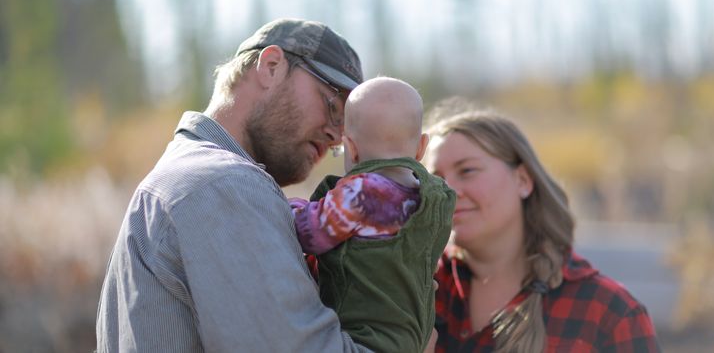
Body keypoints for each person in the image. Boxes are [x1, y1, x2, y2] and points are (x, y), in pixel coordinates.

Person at [96, 18, 411, 352]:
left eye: (348, 125)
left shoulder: (184, 176)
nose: (338, 135)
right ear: (271, 66)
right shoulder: (224, 185)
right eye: (333, 104)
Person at [424, 98, 661, 353]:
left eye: (467, 171)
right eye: (435, 179)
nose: (447, 191)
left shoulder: (608, 313)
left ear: (523, 180)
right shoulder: (414, 294)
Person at [289, 77, 456, 352]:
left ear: (351, 149)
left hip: (364, 337)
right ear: (421, 147)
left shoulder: (362, 193)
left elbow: (310, 233)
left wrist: (290, 206)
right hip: (416, 333)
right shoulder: (438, 198)